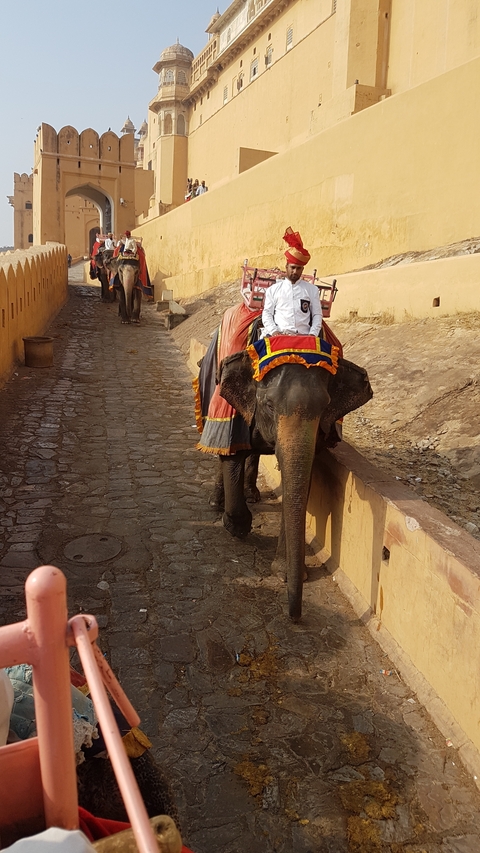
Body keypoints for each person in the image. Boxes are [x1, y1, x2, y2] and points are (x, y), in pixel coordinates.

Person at [262, 227, 322, 337]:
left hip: (304, 337)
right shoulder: (274, 290)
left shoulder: (312, 290)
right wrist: (274, 332)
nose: (295, 271)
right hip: (279, 336)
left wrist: (312, 334)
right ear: (286, 267)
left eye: (298, 268)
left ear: (302, 270)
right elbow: (267, 313)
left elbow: (317, 315)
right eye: (292, 267)